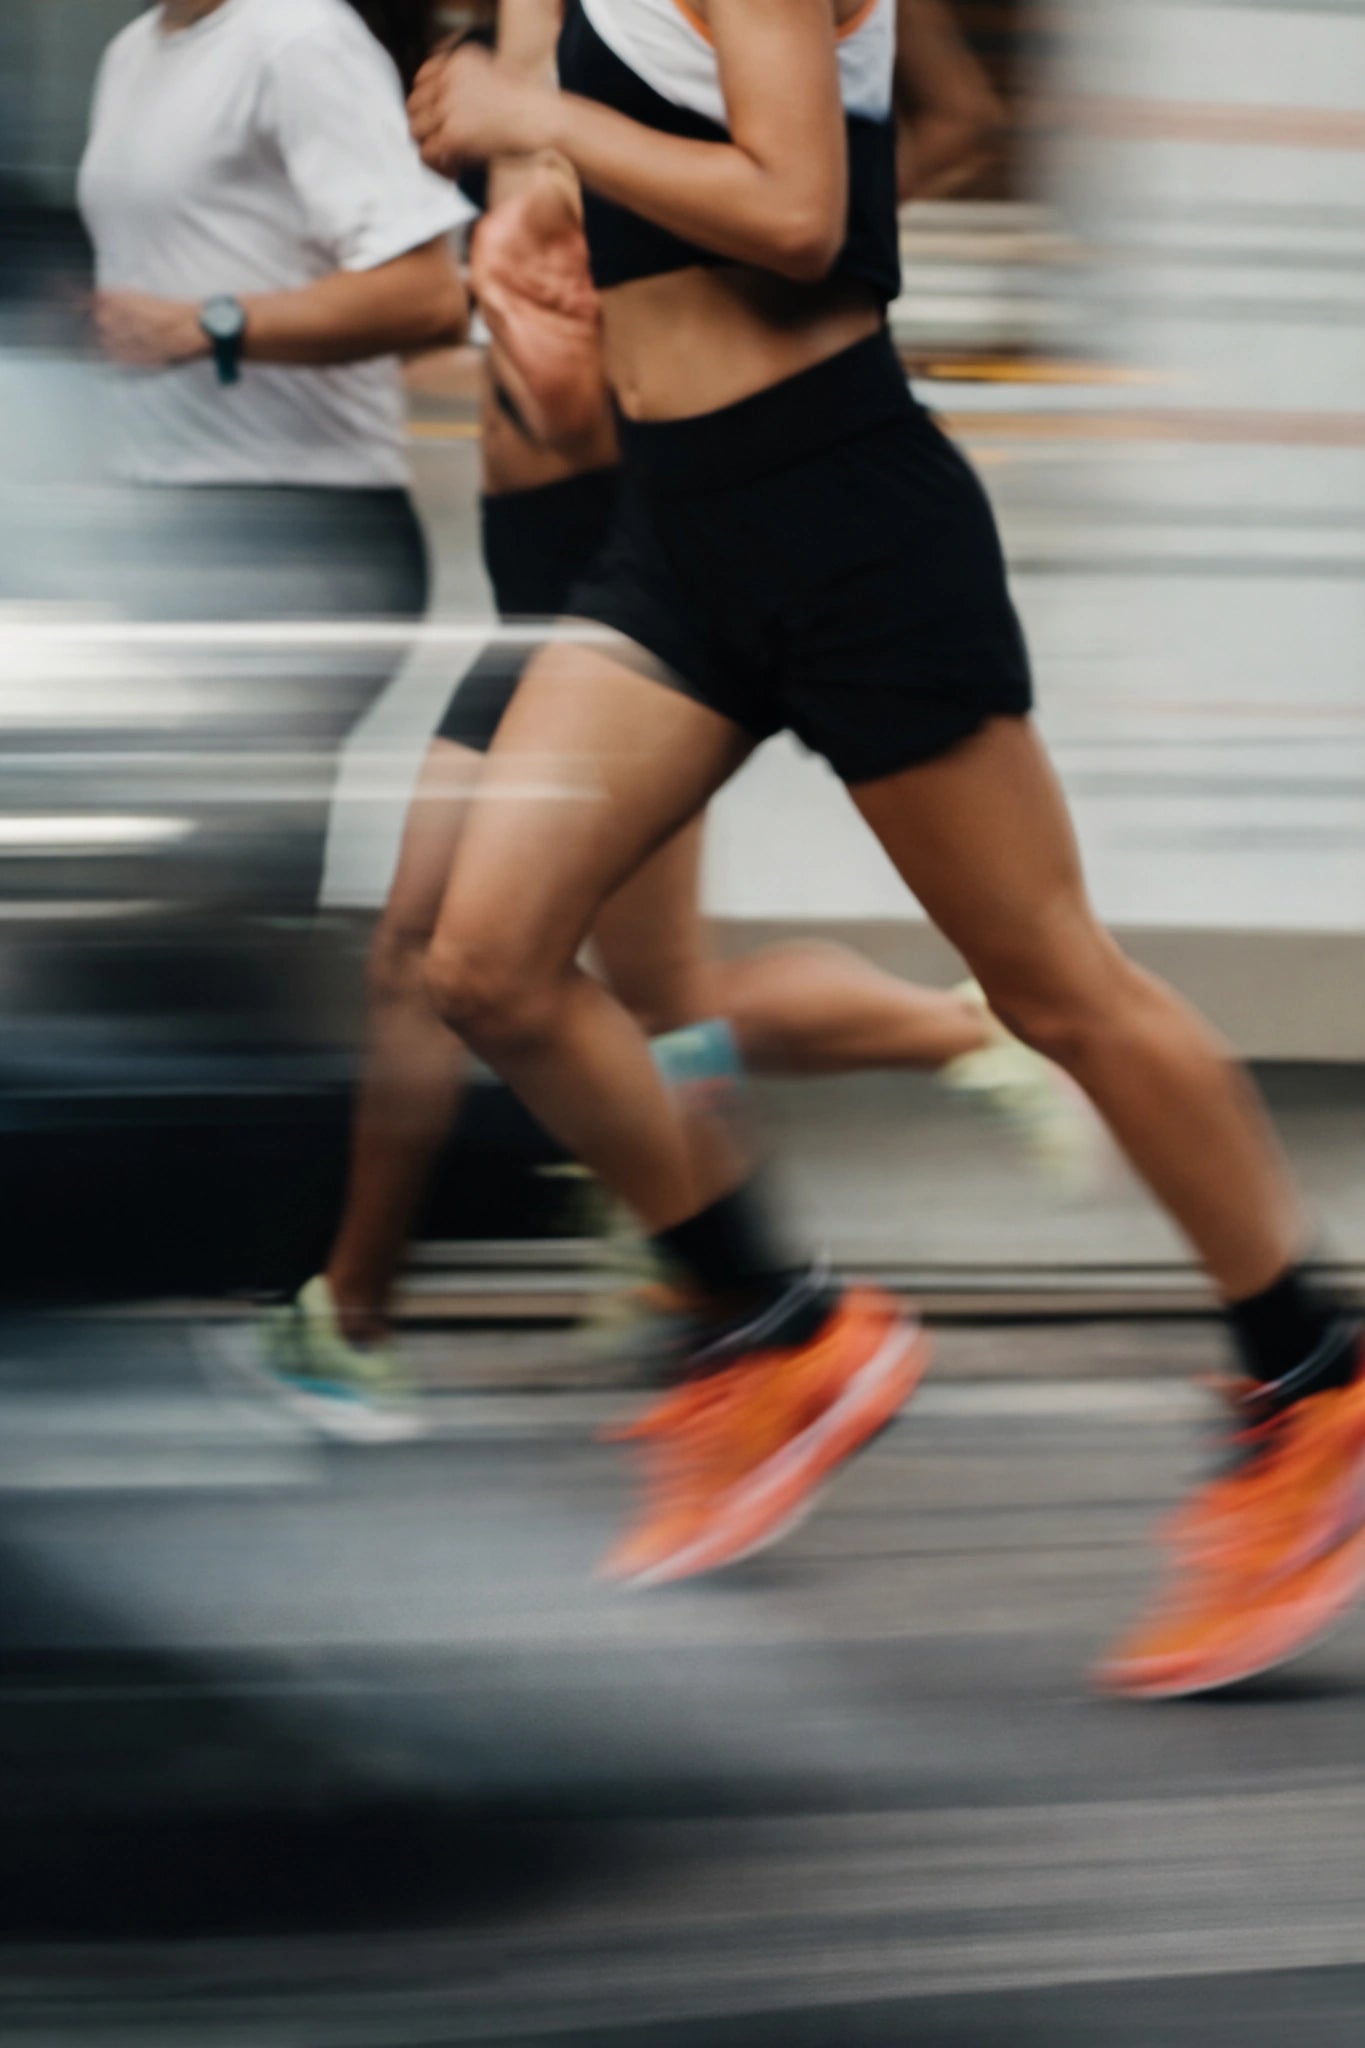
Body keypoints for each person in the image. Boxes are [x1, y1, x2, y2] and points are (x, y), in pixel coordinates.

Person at [397, 0, 1365, 1687]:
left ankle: (1315, 1379)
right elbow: (874, 136)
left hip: (845, 520)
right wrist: (552, 205)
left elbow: (800, 214)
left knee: (1057, 984)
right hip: (678, 536)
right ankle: (775, 1331)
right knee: (483, 959)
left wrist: (529, 116)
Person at [266, 17, 1089, 1434]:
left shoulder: (602, 51)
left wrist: (711, 297)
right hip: (547, 563)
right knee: (506, 964)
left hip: (629, 548)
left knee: (572, 977)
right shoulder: (553, 35)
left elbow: (743, 241)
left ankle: (894, 1105)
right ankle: (678, 1285)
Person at [77, 0, 471, 907]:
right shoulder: (130, 51)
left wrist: (202, 324)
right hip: (169, 524)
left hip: (311, 532)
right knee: (163, 898)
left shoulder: (298, 36)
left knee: (228, 896)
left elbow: (425, 297)